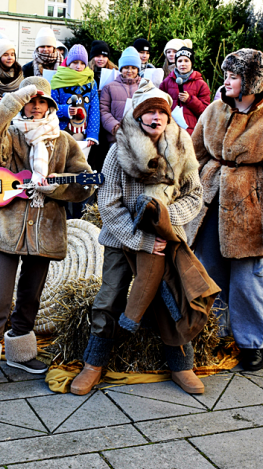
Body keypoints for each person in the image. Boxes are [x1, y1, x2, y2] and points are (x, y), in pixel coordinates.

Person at [71, 80, 217, 396]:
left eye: (160, 111)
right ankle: (93, 363)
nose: (155, 117)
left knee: (170, 297)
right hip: (121, 236)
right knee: (108, 298)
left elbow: (194, 195)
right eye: (147, 112)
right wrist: (139, 238)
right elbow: (107, 200)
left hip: (167, 238)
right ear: (138, 116)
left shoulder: (182, 146)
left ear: (167, 115)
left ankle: (181, 365)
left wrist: (166, 221)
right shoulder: (117, 149)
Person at [0, 77, 93, 395]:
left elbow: (85, 183)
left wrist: (55, 186)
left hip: (45, 232)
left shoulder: (64, 142)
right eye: (29, 100)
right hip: (7, 229)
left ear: (50, 105)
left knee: (31, 296)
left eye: (40, 100)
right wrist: (12, 100)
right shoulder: (11, 135)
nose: (35, 105)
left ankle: (20, 353)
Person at [186, 49, 263, 372]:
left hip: (252, 212)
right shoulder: (213, 111)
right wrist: (179, 197)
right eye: (226, 75)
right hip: (210, 206)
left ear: (251, 82)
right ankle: (217, 331)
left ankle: (252, 342)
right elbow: (192, 156)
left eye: (234, 76)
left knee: (248, 279)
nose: (226, 81)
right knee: (209, 272)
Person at [50, 44, 99, 152]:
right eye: (75, 62)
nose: (78, 66)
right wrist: (65, 110)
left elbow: (94, 109)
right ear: (68, 63)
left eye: (82, 63)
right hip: (60, 132)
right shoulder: (58, 79)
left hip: (82, 134)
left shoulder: (91, 82)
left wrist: (92, 134)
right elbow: (50, 107)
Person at [159, 43, 211, 135]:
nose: (183, 64)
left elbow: (206, 111)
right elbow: (159, 103)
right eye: (179, 61)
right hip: (169, 130)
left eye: (186, 61)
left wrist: (190, 100)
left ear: (191, 63)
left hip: (191, 132)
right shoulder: (167, 82)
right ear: (176, 63)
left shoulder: (201, 84)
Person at [99, 47, 142, 148]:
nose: (130, 71)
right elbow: (103, 111)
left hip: (139, 137)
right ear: (121, 68)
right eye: (126, 67)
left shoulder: (144, 87)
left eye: (133, 68)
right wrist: (115, 127)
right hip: (115, 138)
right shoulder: (109, 87)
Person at [86, 40, 118, 173]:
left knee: (104, 149)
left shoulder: (114, 73)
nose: (101, 59)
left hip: (107, 115)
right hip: (91, 115)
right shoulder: (86, 72)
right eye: (98, 56)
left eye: (104, 56)